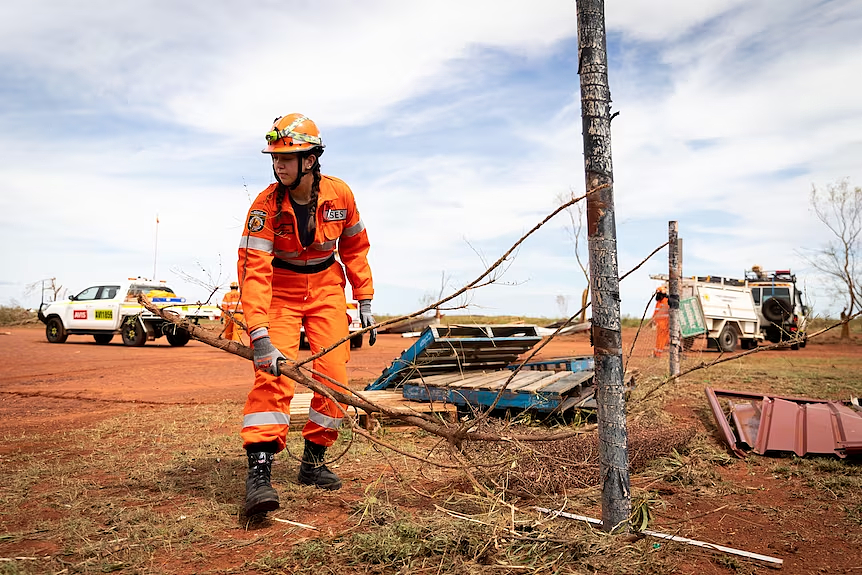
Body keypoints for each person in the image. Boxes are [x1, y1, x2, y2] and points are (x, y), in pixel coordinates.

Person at [237, 113, 376, 516]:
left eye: (288, 157)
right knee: (272, 374)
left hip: (326, 289)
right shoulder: (264, 206)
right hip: (279, 290)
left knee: (335, 377)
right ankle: (260, 472)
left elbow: (355, 248)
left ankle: (313, 462)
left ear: (310, 160)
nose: (279, 164)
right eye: (275, 158)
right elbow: (253, 270)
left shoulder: (341, 195)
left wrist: (364, 299)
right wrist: (260, 334)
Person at [651, 287, 669, 357]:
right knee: (660, 339)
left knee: (661, 339)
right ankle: (657, 353)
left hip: (664, 324)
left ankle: (658, 353)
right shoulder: (659, 302)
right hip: (660, 324)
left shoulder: (666, 301)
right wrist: (654, 320)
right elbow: (656, 312)